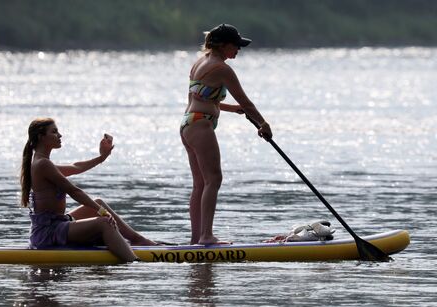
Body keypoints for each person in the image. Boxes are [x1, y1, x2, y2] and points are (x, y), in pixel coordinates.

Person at [180, 24, 273, 245]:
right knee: (214, 179)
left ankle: (196, 240)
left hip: (188, 125)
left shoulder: (198, 63)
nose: (239, 50)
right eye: (236, 46)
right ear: (223, 45)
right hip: (201, 126)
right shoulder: (222, 69)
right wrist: (263, 123)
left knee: (200, 184)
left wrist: (232, 109)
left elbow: (201, 100)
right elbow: (246, 101)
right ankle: (206, 236)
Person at [20, 117, 156, 263]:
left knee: (98, 202)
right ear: (41, 137)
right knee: (104, 222)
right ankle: (135, 263)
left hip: (57, 224)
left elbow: (76, 167)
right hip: (48, 233)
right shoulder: (42, 164)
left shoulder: (42, 162)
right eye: (54, 132)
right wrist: (102, 212)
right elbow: (74, 191)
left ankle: (138, 240)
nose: (60, 135)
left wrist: (102, 157)